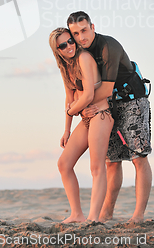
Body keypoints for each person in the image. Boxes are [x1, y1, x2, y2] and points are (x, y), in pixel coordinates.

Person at [67, 11, 152, 224]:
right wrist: (83, 107)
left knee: (138, 156)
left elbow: (104, 89)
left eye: (84, 30)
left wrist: (79, 106)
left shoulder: (108, 47)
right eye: (75, 33)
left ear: (92, 27)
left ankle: (138, 216)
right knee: (112, 162)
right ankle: (106, 214)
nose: (81, 37)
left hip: (133, 100)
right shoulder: (78, 54)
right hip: (108, 106)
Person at [49, 27, 114, 223]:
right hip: (86, 118)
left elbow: (87, 96)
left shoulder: (84, 58)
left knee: (96, 167)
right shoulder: (65, 67)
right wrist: (67, 128)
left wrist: (73, 110)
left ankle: (93, 218)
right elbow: (69, 97)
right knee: (64, 164)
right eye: (63, 45)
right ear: (57, 50)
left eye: (71, 41)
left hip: (101, 114)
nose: (69, 46)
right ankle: (77, 214)